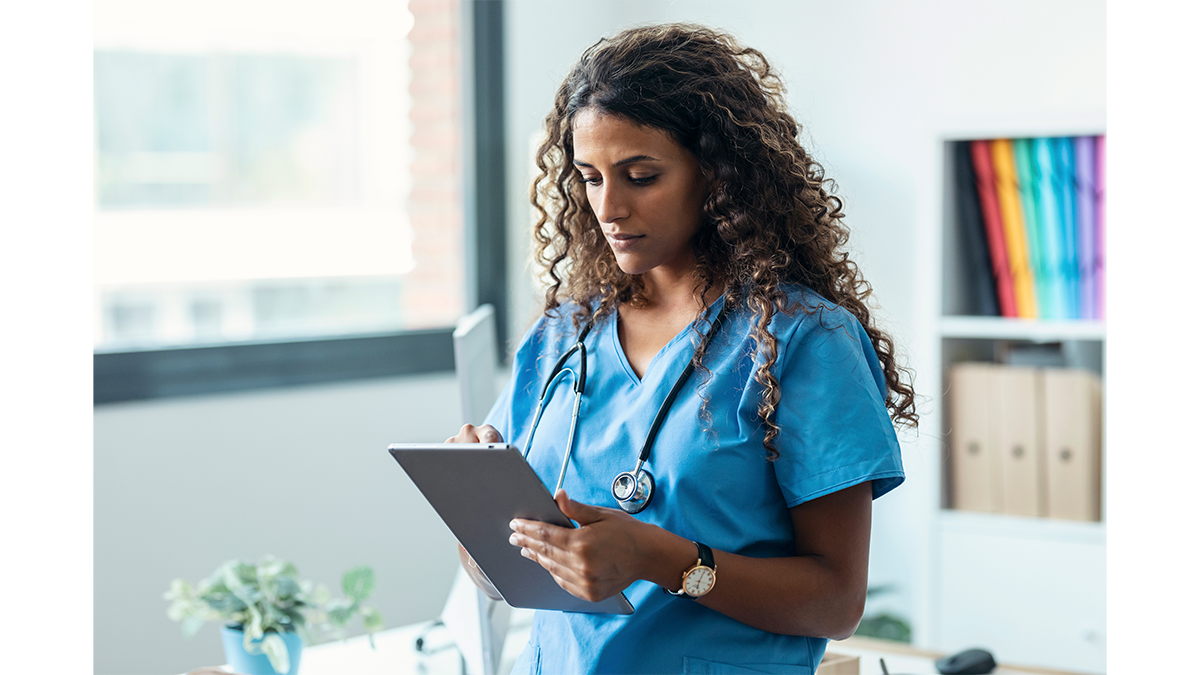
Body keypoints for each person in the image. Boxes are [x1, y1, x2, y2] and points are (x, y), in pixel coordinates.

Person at [447, 22, 918, 675]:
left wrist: (657, 556)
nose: (608, 206)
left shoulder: (805, 341)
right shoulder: (561, 337)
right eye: (589, 177)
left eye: (640, 175)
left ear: (716, 174)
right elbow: (501, 577)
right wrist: (476, 508)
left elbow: (836, 602)